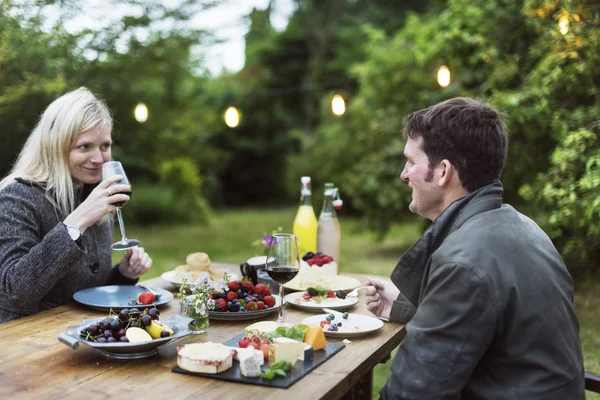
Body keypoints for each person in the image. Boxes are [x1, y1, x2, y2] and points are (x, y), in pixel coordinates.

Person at [366, 97, 584, 399]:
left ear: (443, 172)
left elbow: (413, 393)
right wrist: (403, 306)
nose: (404, 174)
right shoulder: (525, 228)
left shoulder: (463, 262)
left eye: (412, 162)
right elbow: (489, 323)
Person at [0, 87, 152, 323]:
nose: (99, 159)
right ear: (55, 147)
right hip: (26, 344)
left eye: (104, 146)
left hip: (83, 335)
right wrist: (75, 223)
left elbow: (86, 291)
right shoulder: (18, 198)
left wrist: (123, 275)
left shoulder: (95, 194)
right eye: (85, 147)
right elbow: (13, 293)